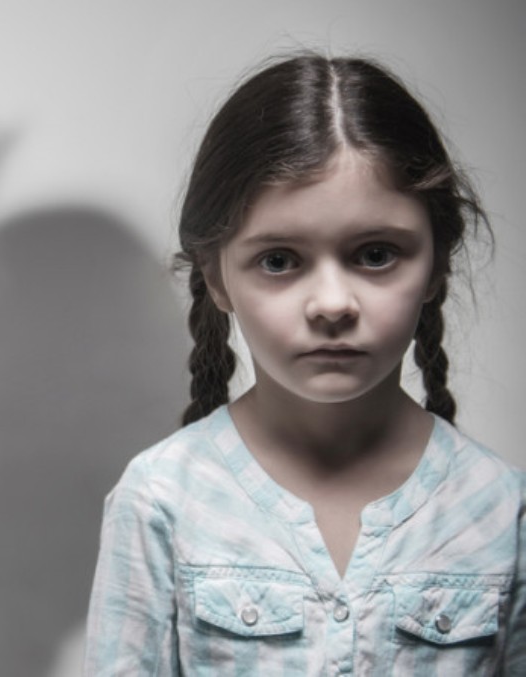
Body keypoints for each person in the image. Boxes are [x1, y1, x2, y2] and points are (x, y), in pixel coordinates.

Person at [84, 53, 524, 675]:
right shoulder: (160, 500)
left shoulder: (502, 509)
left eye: (376, 254)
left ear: (437, 264)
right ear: (216, 277)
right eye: (279, 261)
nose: (332, 304)